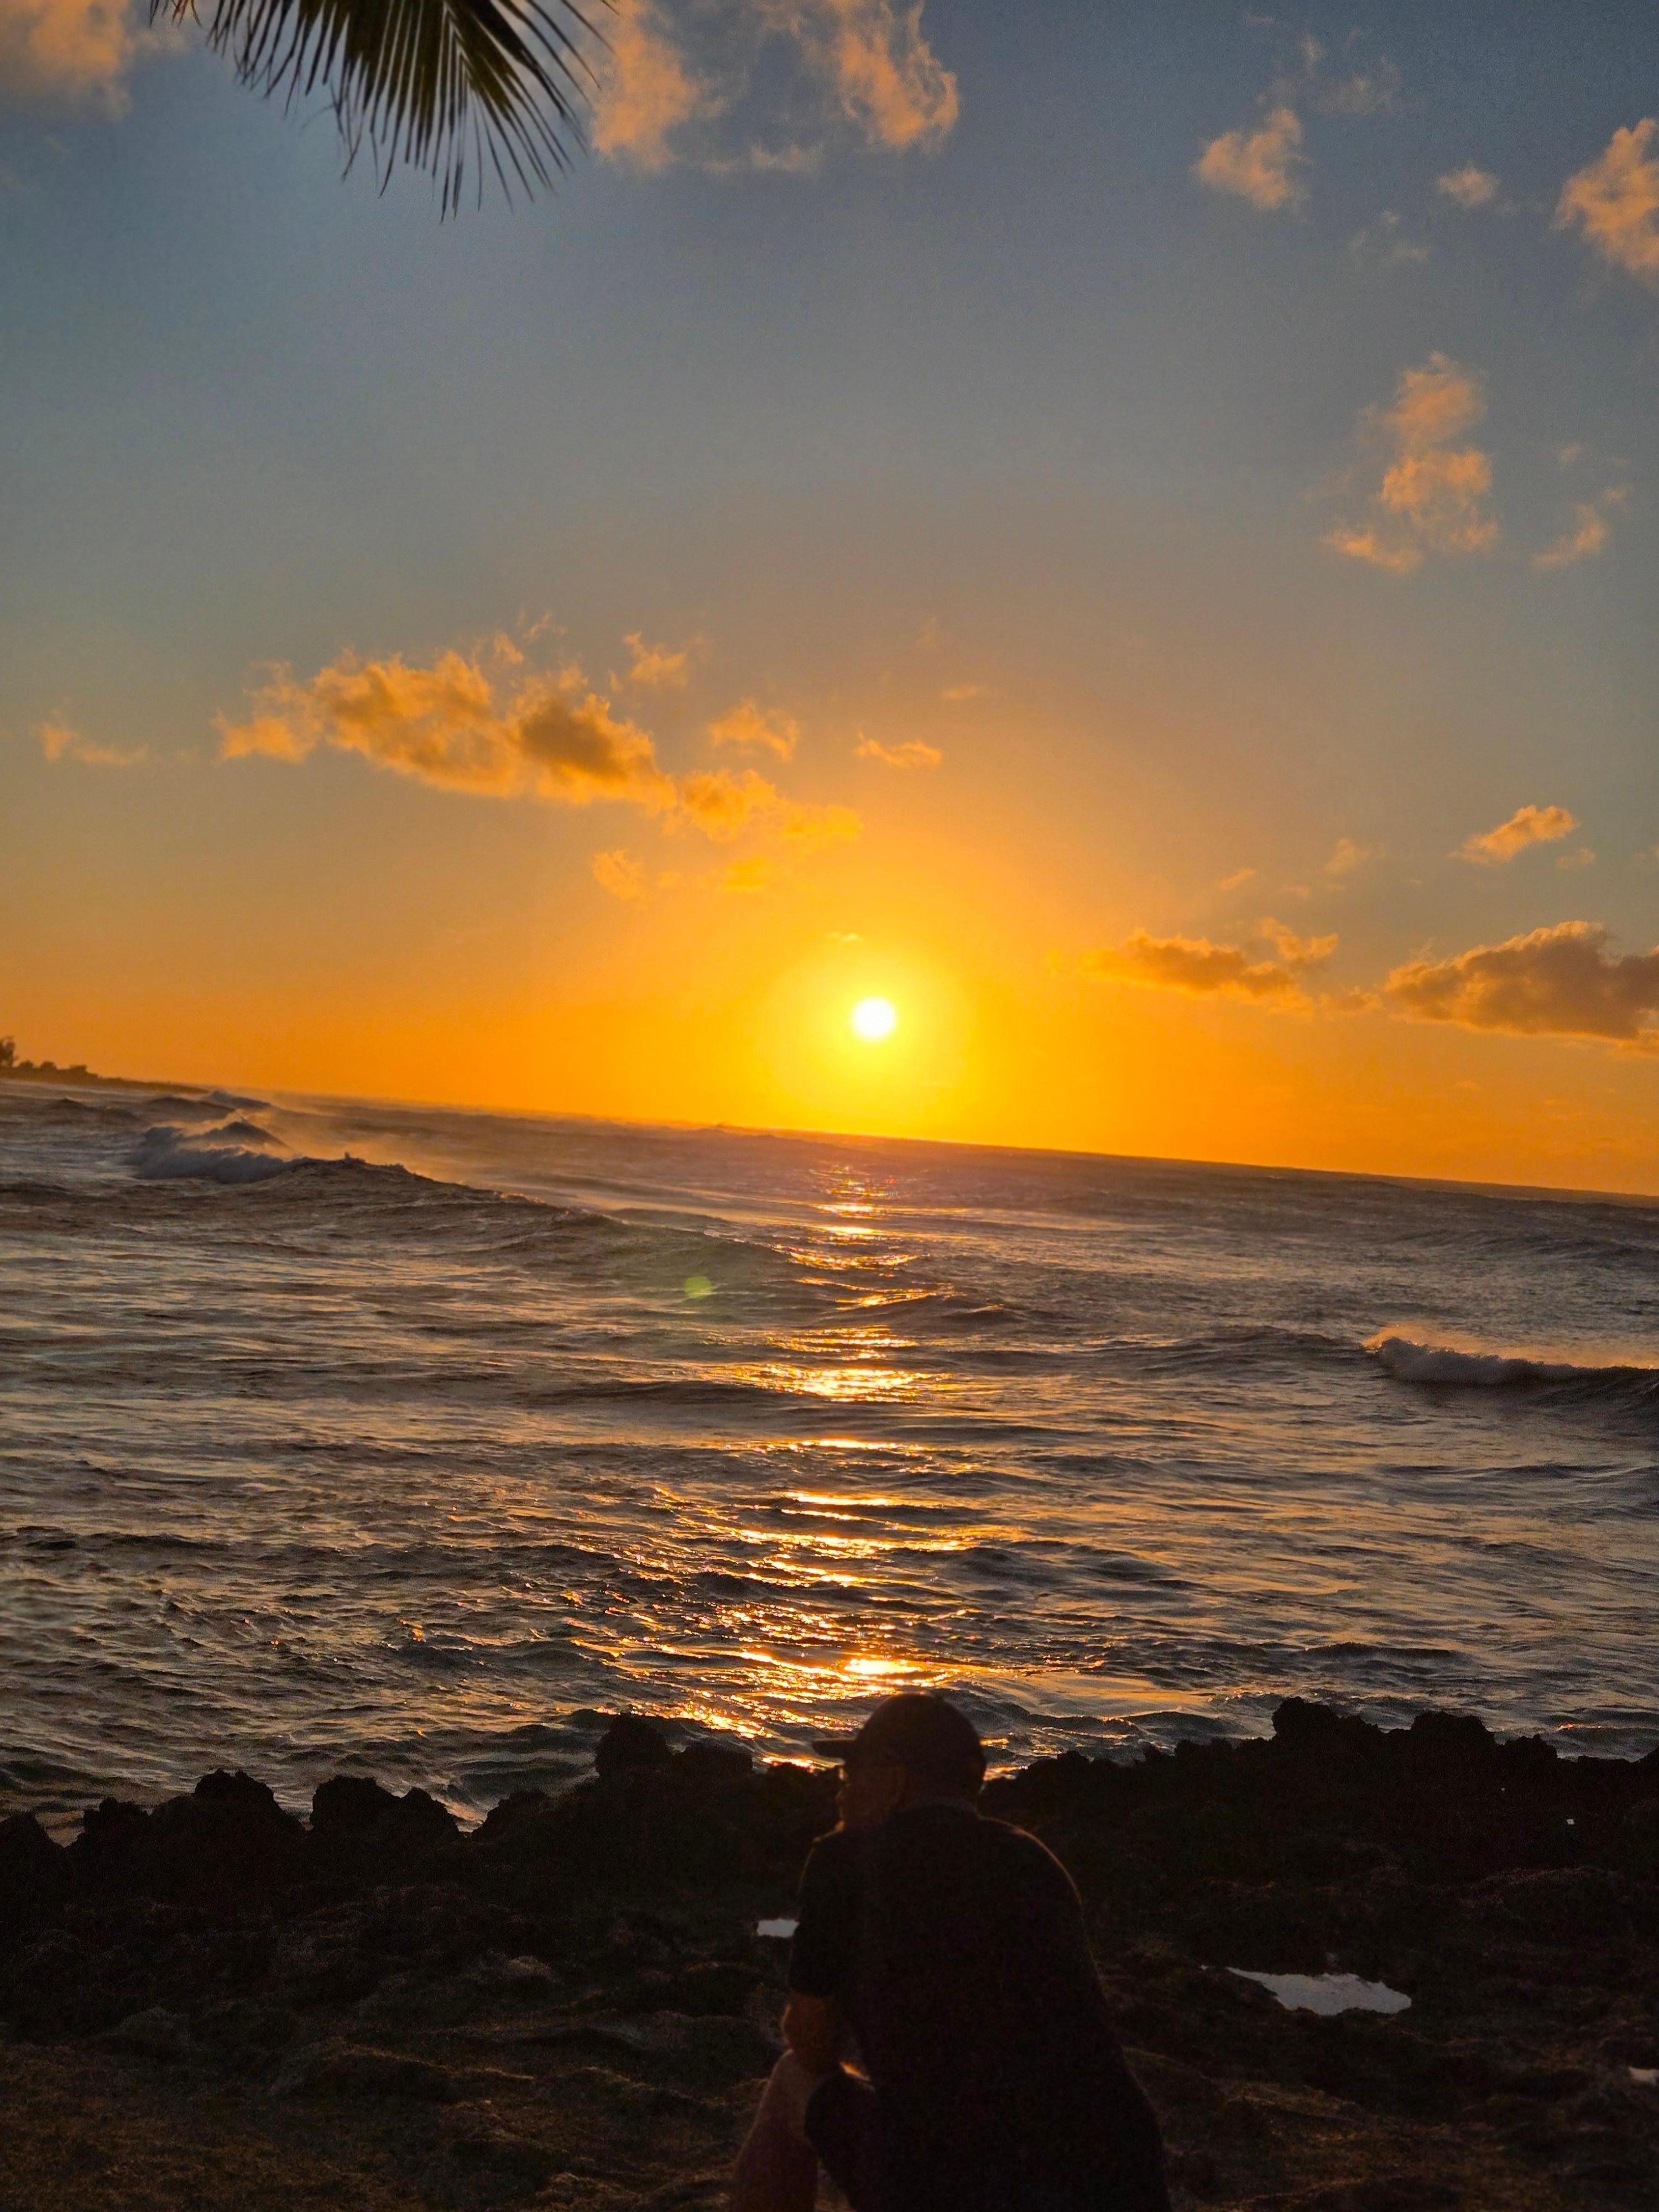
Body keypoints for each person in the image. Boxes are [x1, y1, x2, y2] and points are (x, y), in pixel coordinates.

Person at [732, 1693, 1171, 2212]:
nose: (841, 1791)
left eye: (851, 1774)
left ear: (894, 1780)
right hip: (1123, 2175)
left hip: (973, 2184)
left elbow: (812, 2045)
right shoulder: (1034, 1862)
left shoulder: (846, 1860)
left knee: (794, 2081)